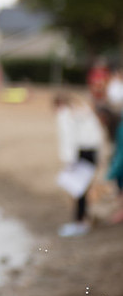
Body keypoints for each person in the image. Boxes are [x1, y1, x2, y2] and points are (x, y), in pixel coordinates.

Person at [53, 91, 105, 237]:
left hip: (80, 154)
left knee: (77, 190)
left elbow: (68, 137)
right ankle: (85, 220)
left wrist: (69, 161)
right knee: (84, 189)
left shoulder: (64, 114)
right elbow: (98, 133)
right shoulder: (85, 110)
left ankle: (79, 223)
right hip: (92, 153)